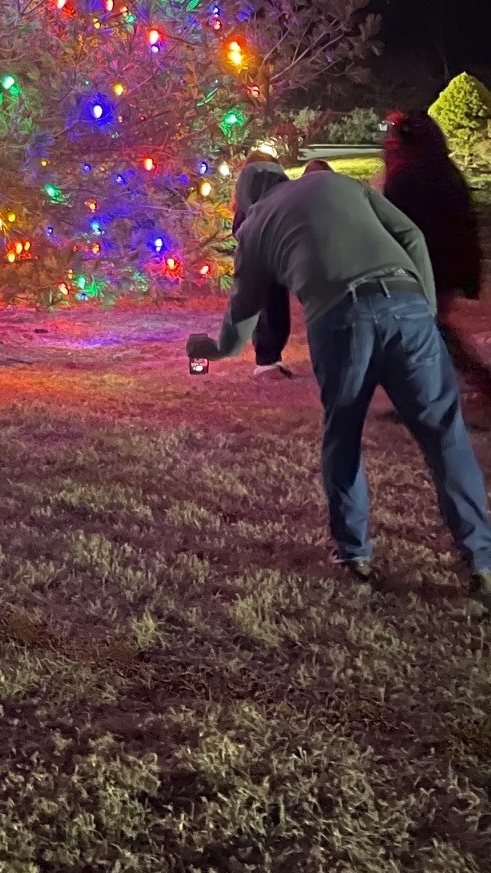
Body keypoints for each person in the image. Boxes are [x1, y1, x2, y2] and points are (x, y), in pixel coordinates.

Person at [187, 166, 491, 602]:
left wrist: (210, 349)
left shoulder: (255, 227)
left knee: (343, 433)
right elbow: (412, 236)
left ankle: (354, 554)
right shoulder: (338, 182)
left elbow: (241, 322)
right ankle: (480, 559)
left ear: (245, 199)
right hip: (406, 302)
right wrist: (424, 308)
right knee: (444, 434)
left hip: (339, 318)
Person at [383, 108, 490, 403]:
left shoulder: (407, 175)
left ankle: (451, 390)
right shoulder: (442, 169)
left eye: (393, 135)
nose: (388, 141)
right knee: (426, 328)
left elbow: (395, 225)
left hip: (424, 265)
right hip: (444, 265)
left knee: (423, 329)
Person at [233, 157, 294, 378]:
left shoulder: (258, 195)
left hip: (273, 253)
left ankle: (272, 358)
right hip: (261, 255)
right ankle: (266, 361)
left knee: (276, 305)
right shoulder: (251, 198)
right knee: (267, 306)